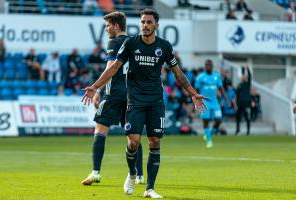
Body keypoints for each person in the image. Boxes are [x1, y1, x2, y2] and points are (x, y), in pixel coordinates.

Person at [81, 8, 207, 199]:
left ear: (156, 25)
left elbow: (177, 72)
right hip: (135, 101)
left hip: (156, 101)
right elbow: (114, 67)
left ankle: (149, 188)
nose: (145, 25)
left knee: (154, 142)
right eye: (142, 22)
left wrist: (193, 93)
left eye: (149, 22)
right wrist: (95, 86)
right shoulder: (131, 43)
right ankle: (132, 174)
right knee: (133, 142)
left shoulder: (164, 46)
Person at [81, 11, 144, 186]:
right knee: (133, 136)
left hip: (114, 93)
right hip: (133, 95)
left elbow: (111, 67)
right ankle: (139, 176)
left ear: (117, 26)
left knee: (100, 131)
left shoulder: (114, 42)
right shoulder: (135, 43)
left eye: (108, 25)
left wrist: (97, 88)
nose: (106, 29)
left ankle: (95, 173)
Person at [195, 59, 230, 148]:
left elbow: (221, 89)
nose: (208, 66)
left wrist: (227, 100)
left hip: (214, 102)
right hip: (204, 102)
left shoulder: (216, 76)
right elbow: (196, 91)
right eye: (206, 65)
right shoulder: (200, 77)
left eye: (209, 65)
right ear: (205, 66)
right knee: (206, 120)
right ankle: (209, 141)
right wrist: (196, 102)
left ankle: (208, 134)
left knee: (218, 120)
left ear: (212, 66)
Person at [235, 65, 252, 135]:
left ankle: (248, 131)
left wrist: (247, 68)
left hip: (246, 103)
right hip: (239, 104)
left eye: (245, 77)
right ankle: (237, 130)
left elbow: (250, 76)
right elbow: (237, 95)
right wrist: (236, 104)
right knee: (238, 118)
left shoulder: (248, 84)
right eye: (243, 77)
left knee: (247, 118)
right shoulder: (239, 85)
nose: (243, 78)